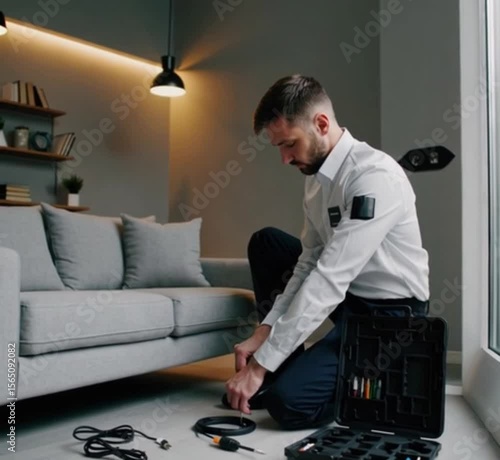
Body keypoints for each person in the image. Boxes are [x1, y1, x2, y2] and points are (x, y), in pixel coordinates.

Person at [224, 75, 429, 430]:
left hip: (392, 315)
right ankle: (280, 369)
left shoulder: (374, 176)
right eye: (279, 148)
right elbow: (308, 263)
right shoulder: (316, 178)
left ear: (321, 124)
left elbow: (330, 277)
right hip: (350, 300)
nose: (285, 159)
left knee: (288, 405)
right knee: (268, 243)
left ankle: (392, 375)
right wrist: (266, 331)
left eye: (289, 144)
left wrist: (258, 366)